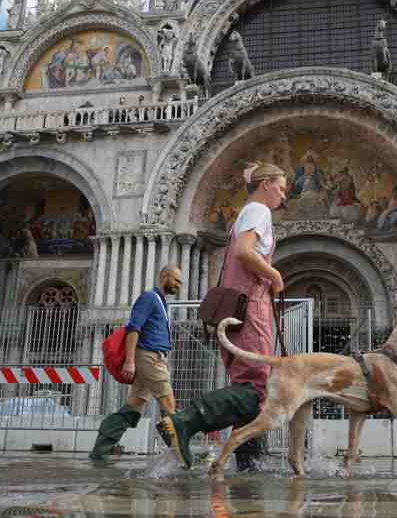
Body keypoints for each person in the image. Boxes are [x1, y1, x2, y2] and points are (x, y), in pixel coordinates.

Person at [157, 162, 288, 470]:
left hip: (236, 307)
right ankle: (183, 422)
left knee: (249, 383)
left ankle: (249, 461)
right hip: (250, 307)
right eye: (281, 188)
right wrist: (275, 274)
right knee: (256, 386)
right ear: (266, 184)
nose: (283, 196)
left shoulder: (246, 212)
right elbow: (245, 252)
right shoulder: (259, 211)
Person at [90, 264, 183, 462]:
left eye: (180, 282)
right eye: (176, 280)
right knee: (168, 404)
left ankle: (100, 449)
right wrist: (130, 362)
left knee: (134, 406)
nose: (178, 285)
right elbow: (134, 328)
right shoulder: (150, 298)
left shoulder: (161, 302)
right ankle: (181, 454)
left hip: (153, 358)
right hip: (149, 357)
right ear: (164, 276)